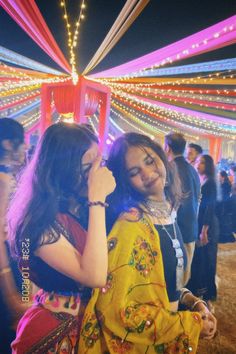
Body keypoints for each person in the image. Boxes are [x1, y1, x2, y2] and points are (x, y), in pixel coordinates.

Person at [79, 133, 217, 354]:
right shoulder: (130, 226)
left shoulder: (169, 213)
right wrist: (187, 324)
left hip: (167, 337)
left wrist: (193, 302)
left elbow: (167, 285)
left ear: (162, 156)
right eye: (134, 172)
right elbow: (117, 309)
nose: (147, 173)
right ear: (125, 181)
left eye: (149, 161)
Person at [8, 122, 116, 353]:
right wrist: (97, 200)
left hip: (91, 326)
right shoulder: (40, 222)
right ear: (62, 171)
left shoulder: (80, 207)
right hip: (54, 330)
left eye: (99, 162)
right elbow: (94, 275)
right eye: (88, 167)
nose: (96, 174)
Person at [0, 118, 27, 354]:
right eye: (22, 143)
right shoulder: (3, 180)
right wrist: (9, 286)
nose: (25, 149)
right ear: (8, 144)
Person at [164, 133, 200, 284]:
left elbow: (170, 202)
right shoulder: (193, 170)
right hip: (191, 228)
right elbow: (198, 199)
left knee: (172, 278)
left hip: (175, 231)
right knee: (184, 275)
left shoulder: (170, 168)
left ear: (167, 148)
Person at [188, 155, 219, 312]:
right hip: (199, 223)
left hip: (207, 227)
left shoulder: (211, 183)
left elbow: (210, 208)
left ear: (208, 165)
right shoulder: (199, 179)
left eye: (202, 162)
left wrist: (204, 231)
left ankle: (208, 298)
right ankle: (198, 294)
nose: (198, 164)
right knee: (198, 261)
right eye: (198, 161)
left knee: (207, 261)